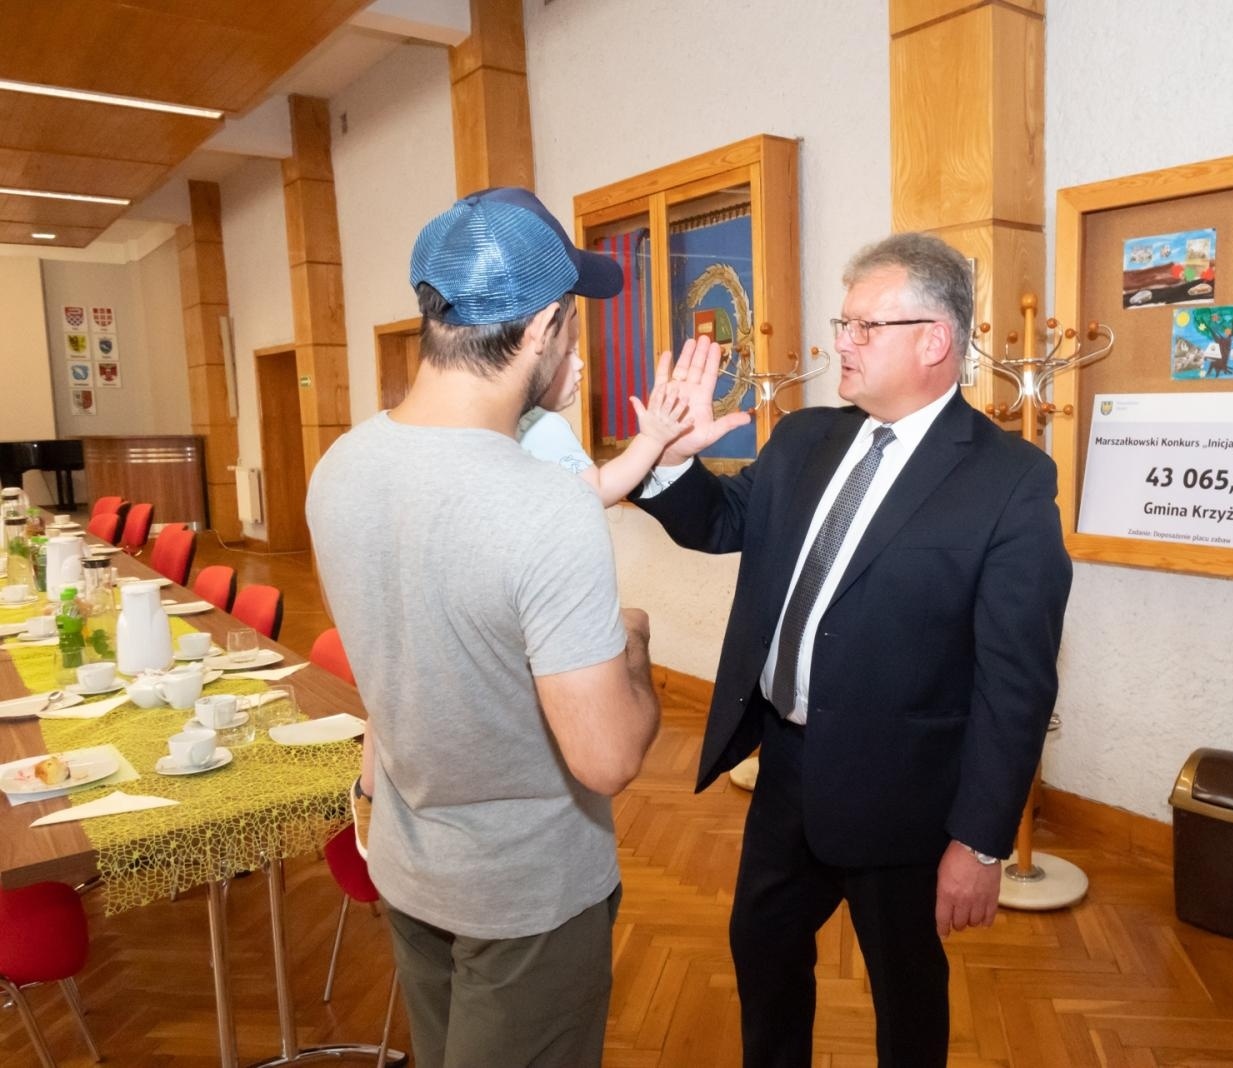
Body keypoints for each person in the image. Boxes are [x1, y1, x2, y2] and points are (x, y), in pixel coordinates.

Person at [630, 232, 1072, 1066]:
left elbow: (1016, 683)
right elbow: (721, 523)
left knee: (907, 995)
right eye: (844, 323)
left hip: (905, 797)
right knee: (761, 955)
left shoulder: (1009, 481)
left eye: (865, 327)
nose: (843, 342)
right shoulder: (805, 438)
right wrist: (670, 463)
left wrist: (979, 843)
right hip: (787, 773)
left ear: (934, 341)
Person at [307, 186, 662, 1068]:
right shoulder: (543, 507)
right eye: (573, 324)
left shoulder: (340, 467)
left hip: (409, 863)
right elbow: (607, 758)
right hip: (527, 895)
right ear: (544, 329)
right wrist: (636, 652)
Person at [348, 312, 690, 855]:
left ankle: (369, 789)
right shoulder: (545, 428)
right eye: (569, 350)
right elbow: (592, 489)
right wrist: (651, 443)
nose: (579, 368)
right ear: (536, 338)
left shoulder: (391, 451)